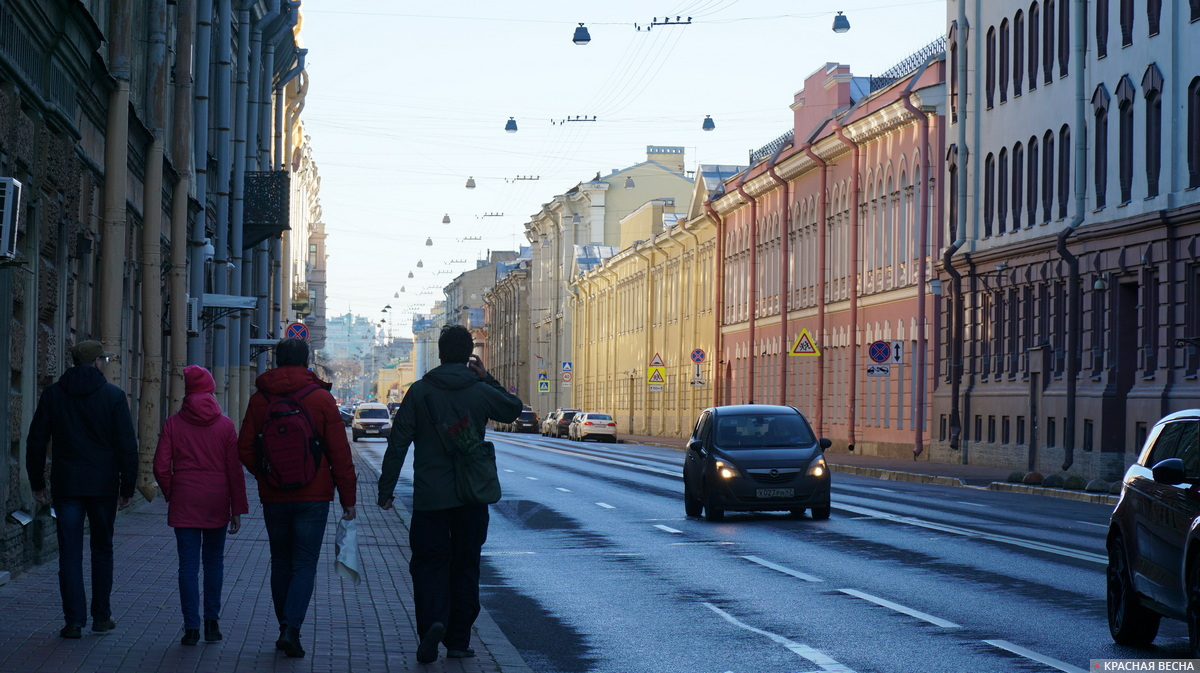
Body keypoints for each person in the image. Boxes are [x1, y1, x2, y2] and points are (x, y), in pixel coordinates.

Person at [378, 324, 522, 664]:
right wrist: (487, 378)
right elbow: (513, 409)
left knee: (428, 565)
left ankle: (433, 623)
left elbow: (398, 442)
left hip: (430, 499)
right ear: (468, 355)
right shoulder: (478, 390)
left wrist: (386, 490)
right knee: (465, 565)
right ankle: (458, 640)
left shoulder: (420, 391)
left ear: (440, 353)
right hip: (472, 498)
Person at [238, 338, 357, 659]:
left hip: (274, 495)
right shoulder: (321, 398)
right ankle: (292, 627)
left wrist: (265, 473)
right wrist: (349, 498)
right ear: (307, 362)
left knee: (280, 561)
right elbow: (340, 453)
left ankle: (284, 627)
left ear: (277, 361)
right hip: (314, 496)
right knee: (304, 563)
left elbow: (245, 447)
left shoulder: (260, 398)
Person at [25, 340, 138, 639]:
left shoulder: (53, 395)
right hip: (102, 486)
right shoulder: (113, 396)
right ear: (97, 362)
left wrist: (37, 482)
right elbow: (127, 445)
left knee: (70, 553)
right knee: (102, 549)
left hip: (67, 485)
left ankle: (73, 621)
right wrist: (128, 486)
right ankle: (101, 617)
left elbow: (36, 440)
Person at [154, 365, 248, 646]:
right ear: (210, 389)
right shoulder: (225, 425)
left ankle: (191, 628)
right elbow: (234, 470)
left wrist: (174, 492)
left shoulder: (173, 423)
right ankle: (212, 624)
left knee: (187, 566)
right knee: (214, 562)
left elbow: (160, 466)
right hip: (217, 501)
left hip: (185, 500)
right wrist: (237, 508)